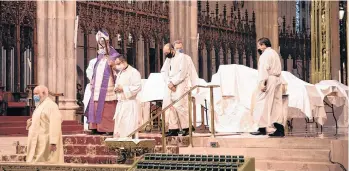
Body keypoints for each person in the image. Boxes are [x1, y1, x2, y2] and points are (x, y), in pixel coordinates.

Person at [85, 30, 119, 135]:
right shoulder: (97, 59)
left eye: (103, 44)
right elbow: (91, 71)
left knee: (107, 107)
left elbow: (120, 69)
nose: (101, 47)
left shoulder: (115, 56)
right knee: (94, 105)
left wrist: (113, 64)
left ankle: (108, 128)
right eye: (99, 44)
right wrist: (92, 80)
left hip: (108, 86)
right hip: (96, 87)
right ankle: (95, 127)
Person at [251, 37, 284, 137]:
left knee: (263, 103)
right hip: (277, 79)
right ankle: (279, 128)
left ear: (264, 45)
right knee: (276, 105)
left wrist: (262, 83)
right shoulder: (274, 53)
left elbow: (264, 69)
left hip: (269, 80)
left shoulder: (265, 55)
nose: (258, 48)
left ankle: (262, 128)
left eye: (259, 46)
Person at [26, 85, 64, 163]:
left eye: (36, 94)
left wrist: (53, 142)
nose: (34, 96)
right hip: (37, 139)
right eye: (34, 94)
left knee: (46, 162)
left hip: (45, 141)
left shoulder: (51, 106)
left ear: (44, 93)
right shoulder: (40, 105)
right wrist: (31, 122)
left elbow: (55, 124)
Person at [161, 43, 190, 136]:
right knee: (170, 107)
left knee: (180, 106)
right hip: (169, 85)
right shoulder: (168, 59)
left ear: (172, 49)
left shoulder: (182, 57)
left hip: (180, 84)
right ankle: (173, 128)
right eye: (165, 53)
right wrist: (168, 83)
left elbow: (183, 72)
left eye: (167, 52)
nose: (166, 54)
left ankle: (186, 127)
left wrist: (173, 82)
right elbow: (164, 71)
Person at [112, 55, 142, 138]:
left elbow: (138, 87)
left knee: (128, 126)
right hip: (121, 103)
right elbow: (117, 84)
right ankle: (120, 146)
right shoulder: (120, 73)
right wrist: (116, 88)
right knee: (120, 125)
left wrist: (124, 89)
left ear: (123, 62)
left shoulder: (134, 72)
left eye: (118, 64)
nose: (117, 66)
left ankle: (128, 146)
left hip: (129, 103)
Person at [82, 58, 97, 131]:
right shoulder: (93, 61)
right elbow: (89, 72)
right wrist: (92, 80)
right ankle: (89, 126)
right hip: (92, 87)